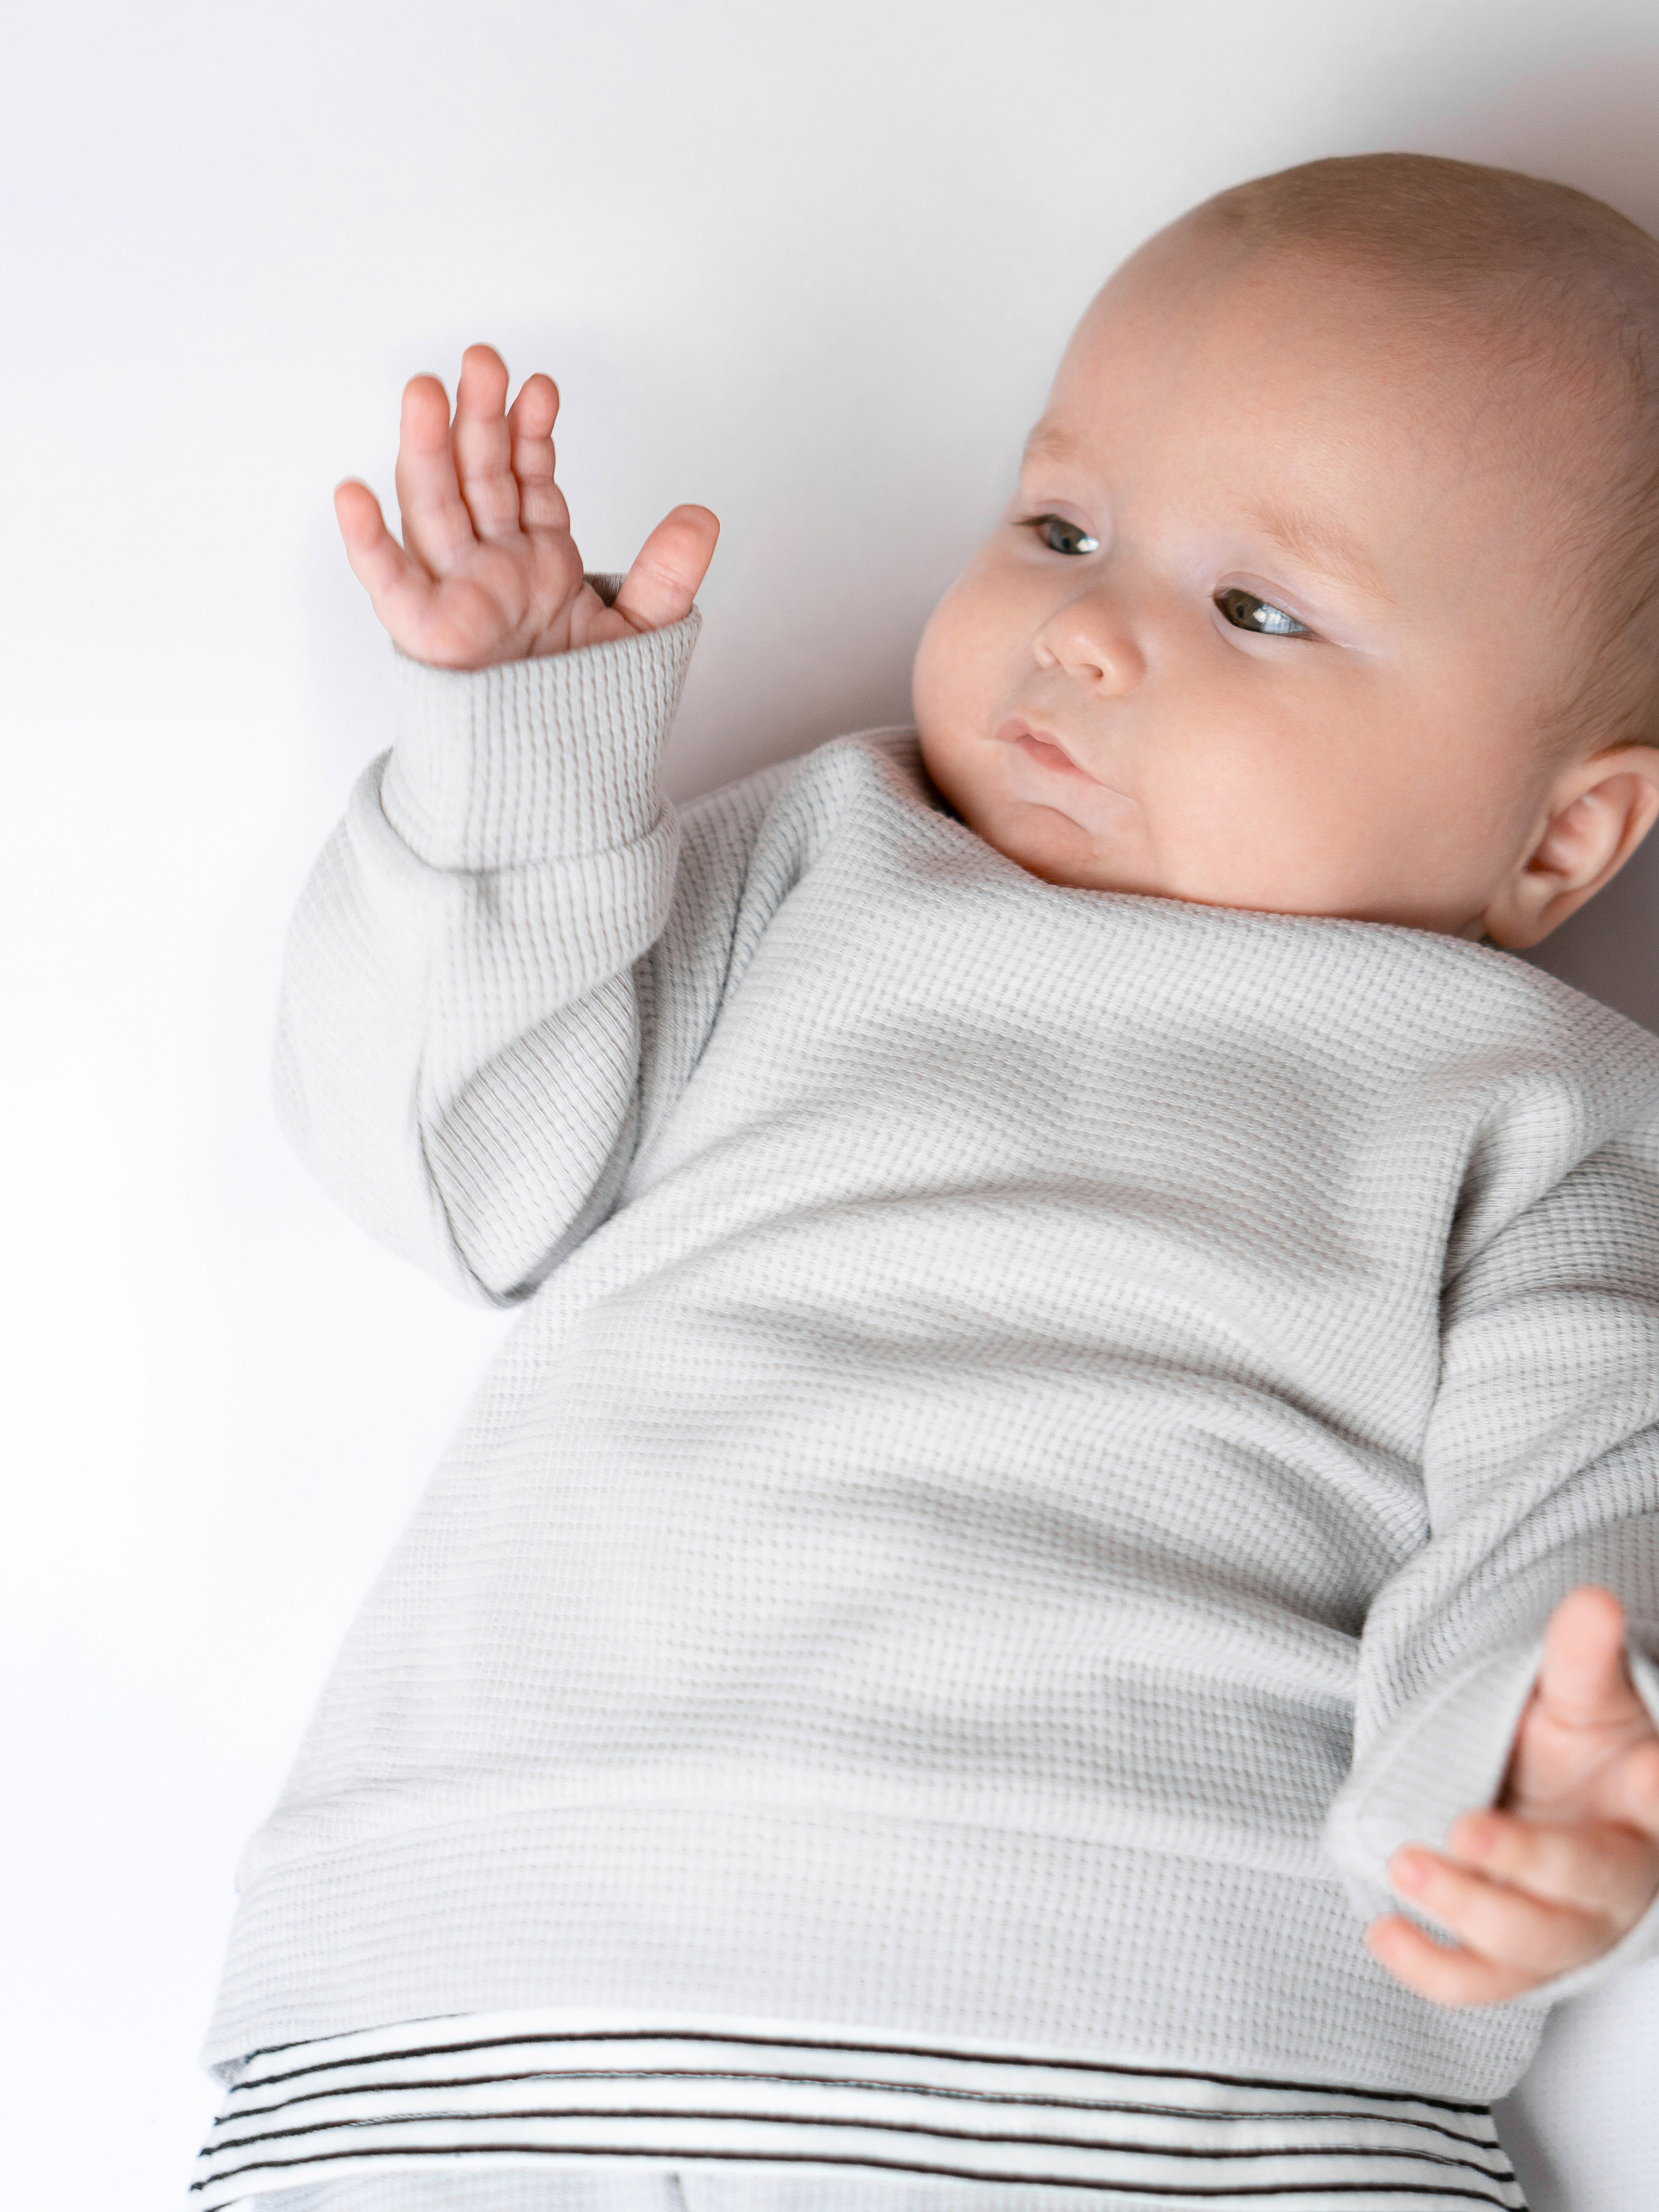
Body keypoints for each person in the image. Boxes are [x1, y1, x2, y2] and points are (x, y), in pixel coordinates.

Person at [192, 154, 1659, 2212]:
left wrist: (1538, 1780)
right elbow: (462, 1177)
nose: (1084, 634)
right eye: (1063, 527)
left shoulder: (1540, 1110)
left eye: (1258, 608)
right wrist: (521, 755)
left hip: (1173, 2067)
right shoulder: (817, 871)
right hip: (490, 1999)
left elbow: (1590, 1511)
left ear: (1559, 844)